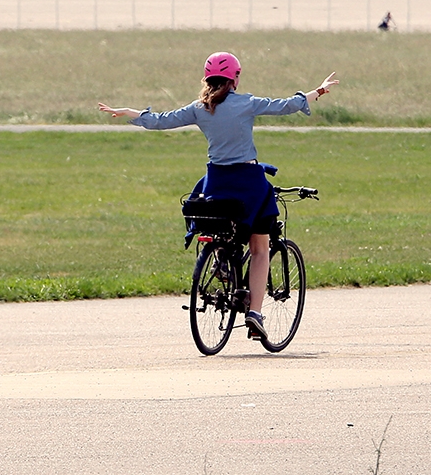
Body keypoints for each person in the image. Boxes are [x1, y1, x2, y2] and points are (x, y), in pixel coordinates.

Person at [99, 53, 338, 342]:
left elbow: (162, 121)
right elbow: (286, 105)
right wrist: (319, 90)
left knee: (222, 227)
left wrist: (130, 112)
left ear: (206, 78)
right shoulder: (246, 103)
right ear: (235, 78)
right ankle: (256, 314)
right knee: (261, 247)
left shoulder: (201, 108)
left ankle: (221, 259)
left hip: (215, 183)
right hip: (248, 182)